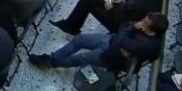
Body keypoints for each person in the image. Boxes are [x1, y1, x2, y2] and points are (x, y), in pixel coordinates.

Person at [30, 13, 168, 70]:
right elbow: (123, 26)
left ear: (151, 31)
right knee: (80, 39)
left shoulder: (148, 45)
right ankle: (54, 57)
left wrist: (129, 31)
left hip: (111, 57)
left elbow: (123, 36)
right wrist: (128, 32)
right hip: (112, 42)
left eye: (144, 22)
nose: (141, 22)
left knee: (78, 59)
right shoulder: (144, 26)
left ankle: (52, 63)